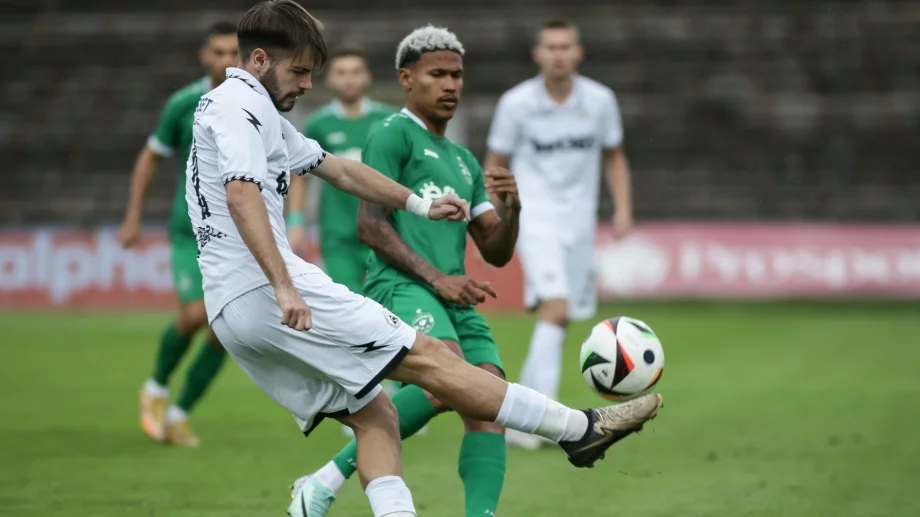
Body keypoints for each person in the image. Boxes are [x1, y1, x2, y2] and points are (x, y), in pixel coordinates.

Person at [189, 4, 661, 517]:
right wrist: (283, 285)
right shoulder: (240, 106)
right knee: (436, 361)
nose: (306, 86)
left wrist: (419, 202)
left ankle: (323, 490)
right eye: (300, 72)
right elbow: (241, 195)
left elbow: (338, 170)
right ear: (259, 60)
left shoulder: (253, 113)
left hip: (233, 306)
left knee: (377, 416)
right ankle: (579, 429)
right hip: (267, 288)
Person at [290, 25, 520, 517]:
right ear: (406, 79)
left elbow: (496, 251)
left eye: (457, 75)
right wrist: (438, 279)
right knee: (445, 381)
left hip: (452, 294)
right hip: (403, 285)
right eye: (437, 74)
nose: (451, 84)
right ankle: (326, 478)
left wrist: (512, 208)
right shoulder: (392, 135)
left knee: (489, 402)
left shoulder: (463, 161)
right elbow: (370, 226)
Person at [484, 20, 636, 450]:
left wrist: (623, 209)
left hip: (579, 222)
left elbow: (614, 157)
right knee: (556, 306)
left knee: (563, 316)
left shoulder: (600, 100)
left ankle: (519, 416)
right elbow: (495, 161)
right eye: (550, 46)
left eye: (565, 46)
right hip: (534, 218)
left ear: (578, 52)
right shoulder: (516, 103)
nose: (558, 54)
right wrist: (493, 216)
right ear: (538, 53)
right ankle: (545, 419)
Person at [119, 20, 239, 448]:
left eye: (234, 53)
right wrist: (133, 215)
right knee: (194, 315)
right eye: (219, 53)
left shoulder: (254, 104)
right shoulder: (184, 103)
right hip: (191, 229)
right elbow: (150, 156)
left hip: (237, 233)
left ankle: (178, 414)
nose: (226, 61)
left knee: (229, 329)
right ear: (205, 55)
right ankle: (154, 388)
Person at [285, 47, 404, 439]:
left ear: (367, 76)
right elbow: (299, 174)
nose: (349, 78)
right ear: (331, 79)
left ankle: (399, 392)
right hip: (339, 236)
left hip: (383, 233)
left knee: (390, 310)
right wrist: (297, 220)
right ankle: (362, 398)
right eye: (342, 72)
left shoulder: (386, 120)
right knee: (349, 317)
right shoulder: (318, 122)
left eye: (356, 71)